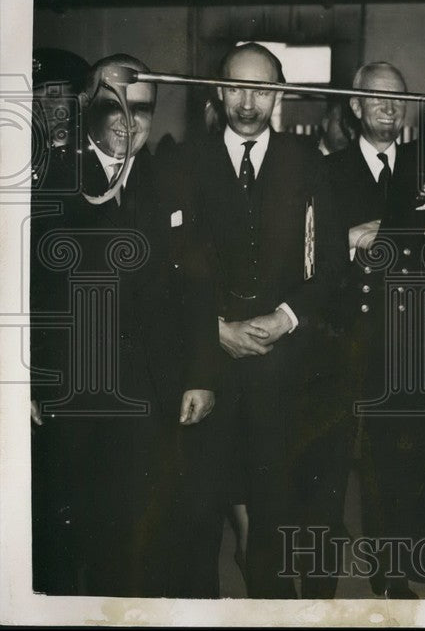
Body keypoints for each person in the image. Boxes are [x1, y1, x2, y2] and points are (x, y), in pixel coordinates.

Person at [30, 53, 223, 597]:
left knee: (138, 537)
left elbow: (197, 287)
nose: (128, 120)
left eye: (141, 108)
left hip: (151, 393)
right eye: (112, 105)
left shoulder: (173, 181)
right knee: (65, 537)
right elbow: (31, 289)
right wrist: (32, 381)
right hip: (73, 391)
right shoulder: (50, 180)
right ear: (86, 106)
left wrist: (201, 375)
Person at [179, 42, 349, 598]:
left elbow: (331, 264)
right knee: (199, 517)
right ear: (219, 90)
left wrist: (285, 318)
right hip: (209, 368)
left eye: (260, 89)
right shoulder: (186, 161)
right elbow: (170, 269)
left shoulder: (308, 164)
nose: (248, 102)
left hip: (283, 369)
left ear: (277, 94)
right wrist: (215, 330)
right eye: (237, 87)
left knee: (274, 514)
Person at [328, 61, 425, 598]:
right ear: (355, 105)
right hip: (345, 332)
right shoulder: (328, 170)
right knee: (334, 457)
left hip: (409, 331)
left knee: (400, 457)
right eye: (377, 97)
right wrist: (355, 236)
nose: (389, 107)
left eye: (398, 98)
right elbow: (317, 248)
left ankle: (393, 573)